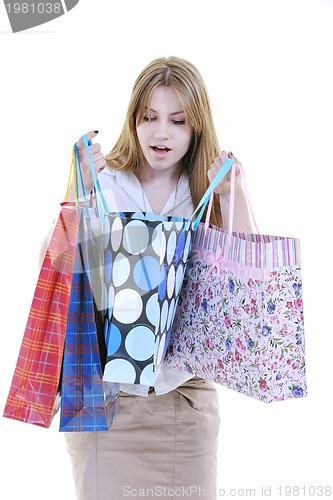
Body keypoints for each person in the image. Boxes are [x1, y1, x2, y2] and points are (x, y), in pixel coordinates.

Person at [64, 56, 253, 500]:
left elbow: (246, 282)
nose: (160, 133)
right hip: (103, 405)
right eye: (148, 117)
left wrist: (236, 194)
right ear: (133, 120)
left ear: (197, 126)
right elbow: (50, 267)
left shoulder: (208, 192)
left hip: (183, 406)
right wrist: (78, 190)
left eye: (177, 120)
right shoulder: (105, 180)